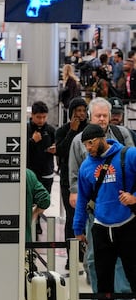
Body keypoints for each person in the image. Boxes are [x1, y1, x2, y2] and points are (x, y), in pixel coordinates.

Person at [68, 97, 136, 300]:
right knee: (102, 277)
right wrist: (77, 229)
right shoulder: (87, 166)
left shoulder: (128, 153)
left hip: (128, 224)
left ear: (101, 138)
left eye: (90, 144)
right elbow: (81, 198)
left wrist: (134, 197)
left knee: (131, 272)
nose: (87, 148)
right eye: (85, 145)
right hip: (99, 225)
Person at [55, 97, 88, 256]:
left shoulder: (90, 130)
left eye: (83, 111)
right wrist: (72, 131)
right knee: (72, 216)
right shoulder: (62, 131)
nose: (81, 114)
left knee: (88, 216)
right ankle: (72, 255)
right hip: (68, 181)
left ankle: (85, 252)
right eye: (77, 111)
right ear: (71, 113)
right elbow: (61, 151)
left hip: (89, 180)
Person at [27, 101, 57, 195]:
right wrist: (32, 141)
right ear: (32, 115)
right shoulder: (25, 129)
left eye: (44, 117)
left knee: (44, 202)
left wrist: (56, 150)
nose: (41, 120)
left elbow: (58, 148)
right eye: (38, 117)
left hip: (46, 173)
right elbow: (20, 151)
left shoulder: (51, 130)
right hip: (30, 173)